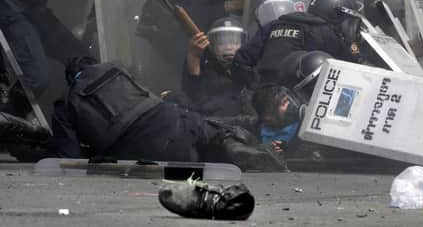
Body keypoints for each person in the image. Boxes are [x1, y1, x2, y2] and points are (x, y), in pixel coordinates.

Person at [47, 57, 286, 171]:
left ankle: (226, 154)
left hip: (139, 150)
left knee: (193, 157)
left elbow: (70, 157)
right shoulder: (117, 68)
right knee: (210, 132)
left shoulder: (65, 101)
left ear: (70, 80)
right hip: (169, 119)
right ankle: (239, 148)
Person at [232, 0, 359, 85]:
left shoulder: (275, 24)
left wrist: (253, 87)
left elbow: (242, 59)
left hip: (265, 93)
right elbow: (351, 66)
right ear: (334, 15)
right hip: (298, 94)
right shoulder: (326, 32)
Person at [171, 17, 257, 129]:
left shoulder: (251, 67)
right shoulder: (205, 66)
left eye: (235, 42)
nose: (229, 47)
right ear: (212, 45)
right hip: (210, 127)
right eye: (222, 43)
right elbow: (191, 92)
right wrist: (194, 56)